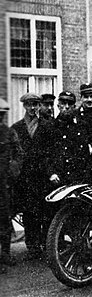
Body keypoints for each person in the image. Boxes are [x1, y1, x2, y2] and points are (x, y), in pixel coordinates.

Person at [10, 93, 52, 260]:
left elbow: (51, 152)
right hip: (25, 177)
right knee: (28, 213)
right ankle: (32, 247)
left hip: (42, 176)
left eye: (35, 104)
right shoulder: (17, 127)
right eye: (29, 105)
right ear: (24, 106)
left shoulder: (47, 126)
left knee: (44, 211)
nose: (32, 108)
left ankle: (44, 244)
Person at [49, 91, 92, 185]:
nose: (66, 107)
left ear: (74, 106)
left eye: (70, 104)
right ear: (58, 106)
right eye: (63, 103)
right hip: (58, 179)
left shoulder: (82, 125)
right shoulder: (51, 127)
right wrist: (51, 173)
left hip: (80, 178)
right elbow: (45, 154)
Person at [0, 98, 23, 272]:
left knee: (5, 218)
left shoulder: (9, 133)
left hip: (4, 183)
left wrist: (12, 173)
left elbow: (18, 155)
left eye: (1, 115)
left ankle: (5, 253)